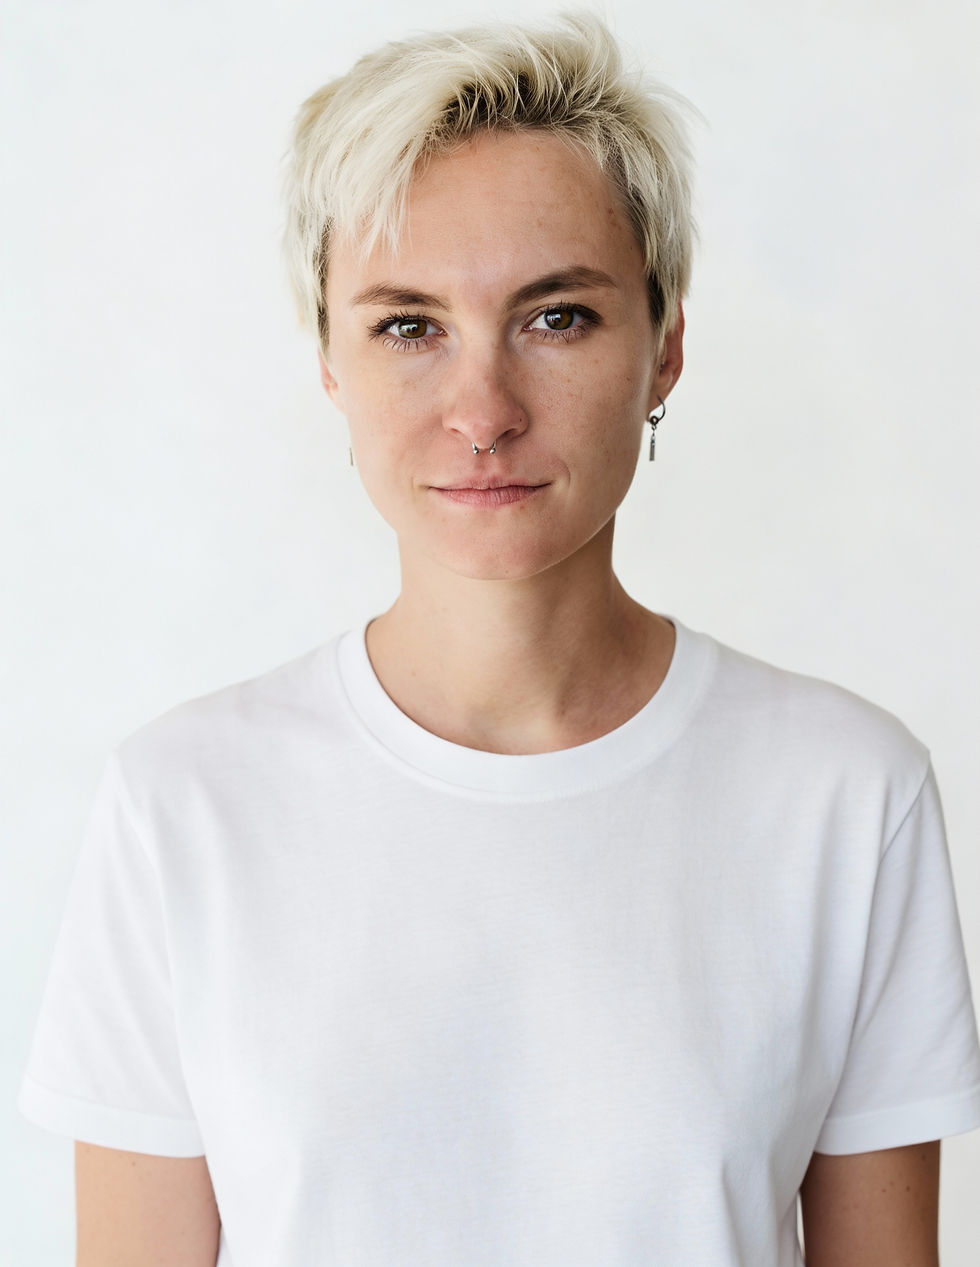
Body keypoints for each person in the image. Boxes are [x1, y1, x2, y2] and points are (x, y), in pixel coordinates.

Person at [17, 13, 980, 1266]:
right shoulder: (184, 804)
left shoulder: (845, 795)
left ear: (664, 347)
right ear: (328, 360)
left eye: (556, 317)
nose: (481, 411)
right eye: (407, 325)